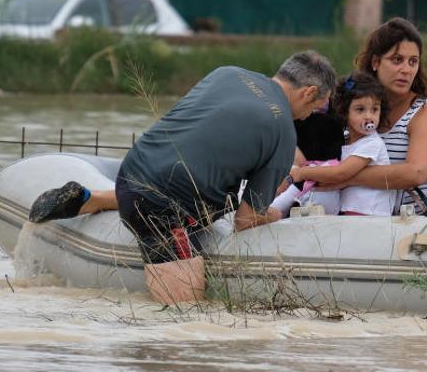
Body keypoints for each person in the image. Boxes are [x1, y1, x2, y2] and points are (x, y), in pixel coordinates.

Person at [28, 51, 336, 304]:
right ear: (308, 92)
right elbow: (246, 220)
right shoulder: (284, 133)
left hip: (132, 170)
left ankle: (91, 199)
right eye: (315, 108)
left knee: (217, 197)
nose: (310, 117)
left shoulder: (226, 72)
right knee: (184, 316)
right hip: (167, 211)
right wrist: (275, 214)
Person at [318, 17, 427, 215]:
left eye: (413, 62)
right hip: (374, 218)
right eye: (397, 60)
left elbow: (415, 173)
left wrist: (345, 177)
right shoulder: (351, 106)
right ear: (375, 62)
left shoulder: (426, 113)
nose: (406, 70)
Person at [278, 71, 398, 216]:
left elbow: (341, 173)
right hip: (350, 212)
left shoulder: (372, 143)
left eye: (375, 109)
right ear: (344, 112)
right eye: (360, 109)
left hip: (370, 213)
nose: (369, 116)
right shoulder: (345, 138)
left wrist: (302, 172)